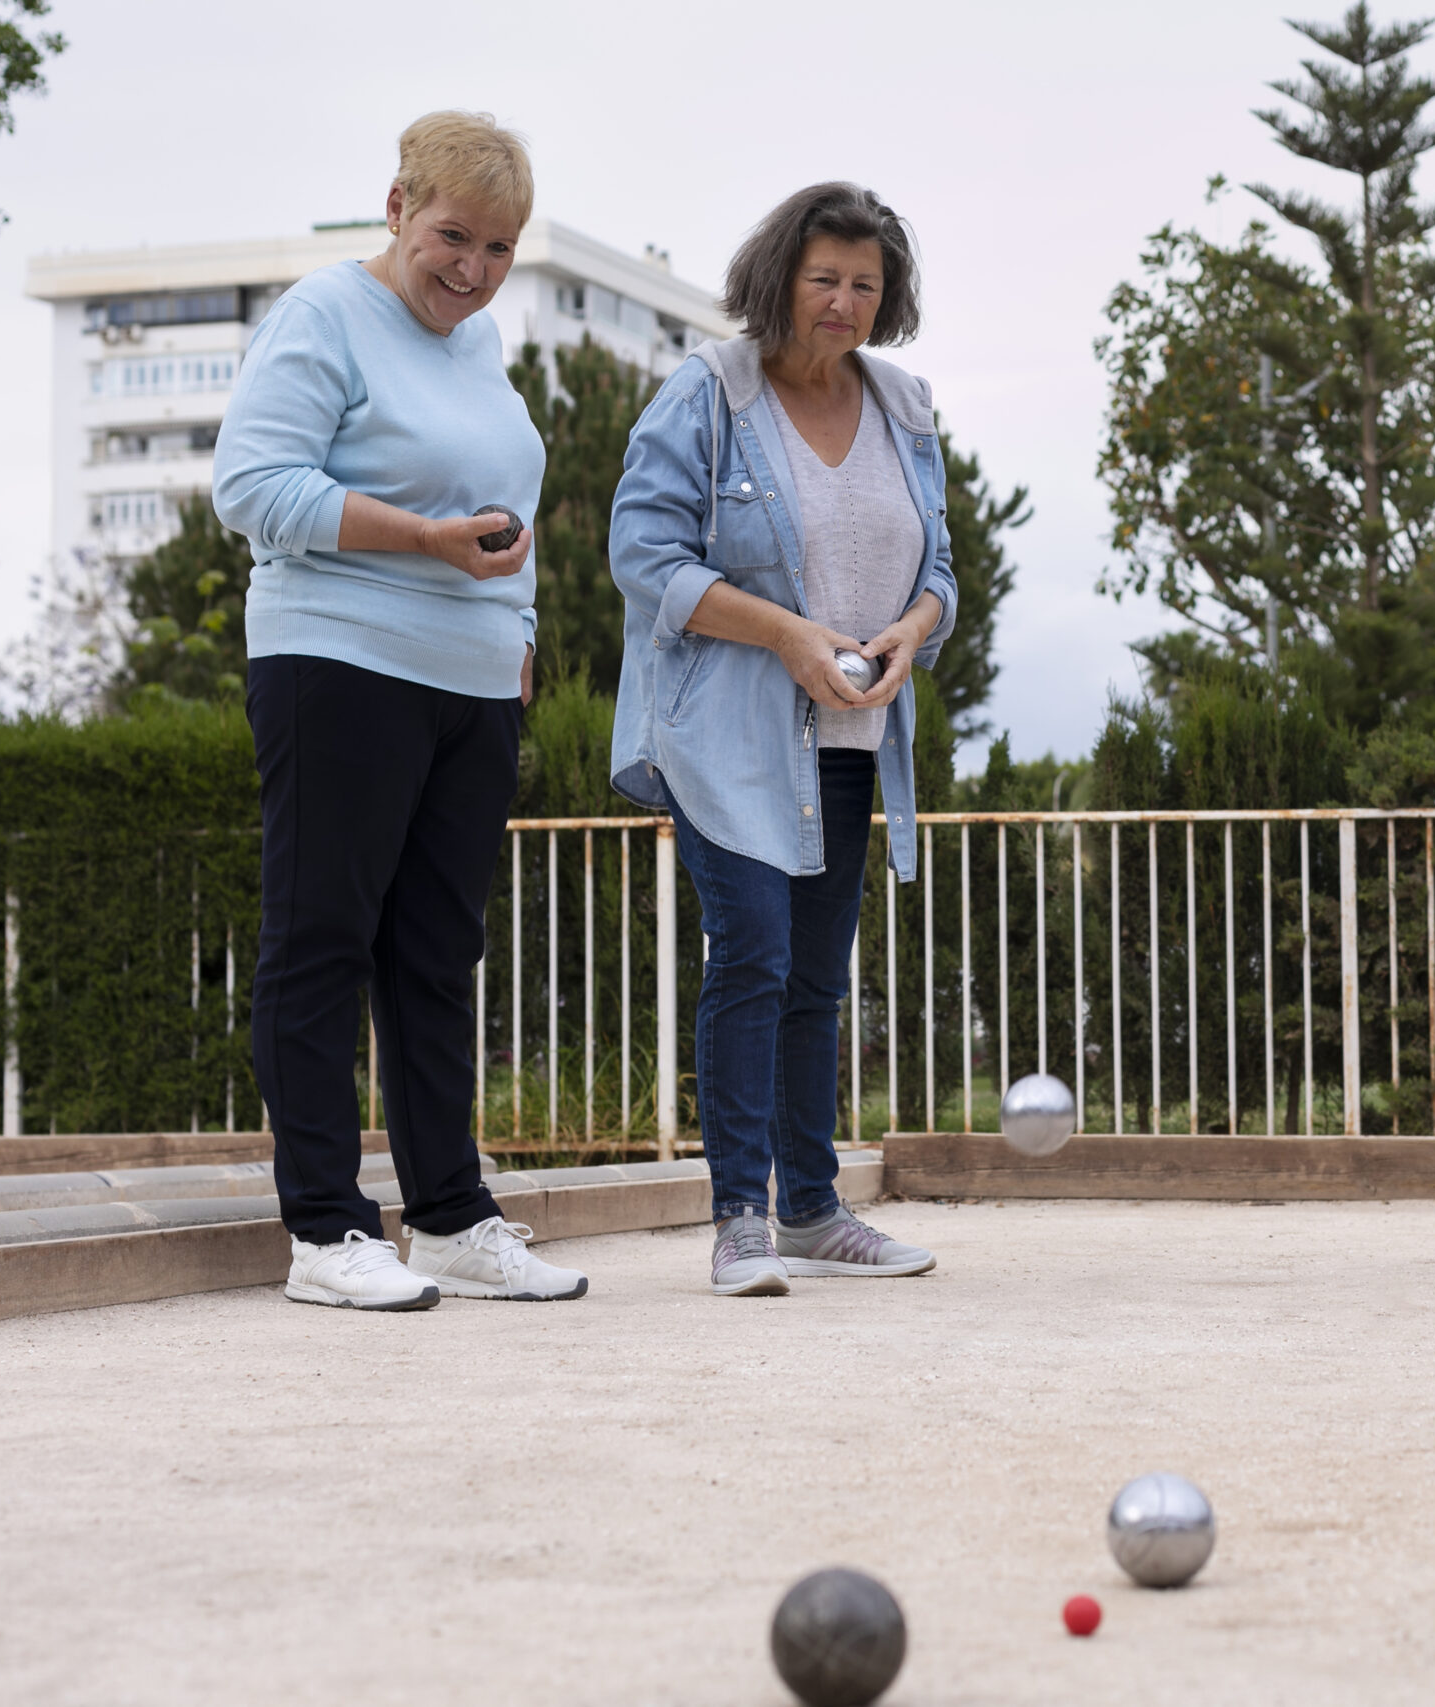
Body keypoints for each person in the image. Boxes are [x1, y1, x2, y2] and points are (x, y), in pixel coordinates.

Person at [214, 111, 586, 1311]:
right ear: (395, 208)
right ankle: (324, 1230)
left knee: (436, 956)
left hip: (470, 683)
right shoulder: (325, 315)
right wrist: (423, 537)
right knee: (322, 940)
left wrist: (517, 634)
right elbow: (253, 485)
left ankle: (449, 1217)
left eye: (499, 249)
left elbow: (505, 513)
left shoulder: (477, 349)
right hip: (340, 659)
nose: (472, 270)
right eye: (452, 237)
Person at [610, 183, 954, 1297]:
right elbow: (645, 559)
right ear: (780, 279)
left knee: (814, 977)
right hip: (728, 731)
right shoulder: (708, 393)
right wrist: (788, 636)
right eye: (825, 279)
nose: (845, 302)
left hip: (852, 733)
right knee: (752, 955)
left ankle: (812, 1210)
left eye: (865, 283)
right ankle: (740, 1221)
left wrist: (909, 632)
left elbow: (939, 570)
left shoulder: (904, 405)